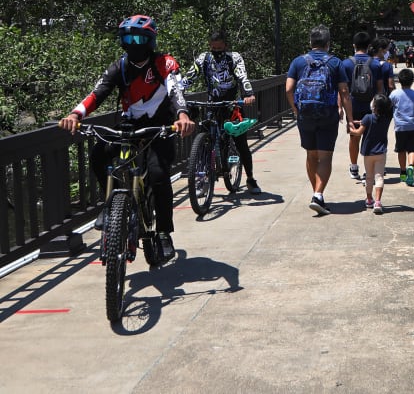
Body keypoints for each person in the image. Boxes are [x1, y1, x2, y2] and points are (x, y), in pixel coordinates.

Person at [57, 15, 195, 261]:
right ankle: (111, 204)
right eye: (128, 38)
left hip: (161, 126)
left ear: (150, 41)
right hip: (129, 124)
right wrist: (75, 114)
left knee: (158, 175)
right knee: (99, 155)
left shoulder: (164, 62)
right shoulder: (119, 66)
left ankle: (164, 232)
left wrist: (182, 115)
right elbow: (97, 93)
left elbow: (175, 91)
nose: (133, 44)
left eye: (139, 39)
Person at [180, 30, 261, 194]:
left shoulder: (234, 57)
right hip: (213, 104)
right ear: (209, 46)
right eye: (213, 48)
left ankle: (251, 179)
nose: (216, 51)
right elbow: (189, 76)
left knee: (241, 143)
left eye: (220, 48)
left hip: (232, 105)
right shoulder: (203, 58)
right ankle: (203, 179)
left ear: (225, 45)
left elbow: (242, 77)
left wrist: (248, 94)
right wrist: (177, 91)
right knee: (204, 140)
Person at [286, 24, 353, 215]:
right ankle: (318, 195)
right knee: (325, 156)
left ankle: (317, 194)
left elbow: (288, 89)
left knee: (311, 154)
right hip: (327, 115)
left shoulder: (298, 62)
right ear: (328, 43)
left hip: (305, 115)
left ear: (310, 42)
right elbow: (344, 92)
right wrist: (350, 118)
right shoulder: (335, 63)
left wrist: (295, 109)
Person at [344, 31, 383, 181]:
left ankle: (354, 168)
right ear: (369, 46)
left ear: (354, 45)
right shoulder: (375, 64)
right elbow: (380, 88)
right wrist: (379, 107)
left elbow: (343, 89)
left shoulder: (346, 63)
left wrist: (340, 108)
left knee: (354, 137)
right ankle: (369, 170)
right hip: (370, 106)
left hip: (353, 106)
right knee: (370, 138)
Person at [349, 94, 393, 214]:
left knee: (369, 176)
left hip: (368, 152)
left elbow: (358, 133)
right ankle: (378, 202)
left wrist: (351, 129)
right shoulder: (387, 118)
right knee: (379, 177)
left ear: (374, 106)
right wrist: (362, 122)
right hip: (381, 152)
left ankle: (369, 199)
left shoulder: (367, 117)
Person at [389, 68, 414, 186]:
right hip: (413, 125)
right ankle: (411, 166)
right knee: (412, 149)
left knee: (401, 150)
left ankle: (403, 172)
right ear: (412, 81)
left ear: (399, 80)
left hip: (400, 127)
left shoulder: (394, 94)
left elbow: (390, 105)